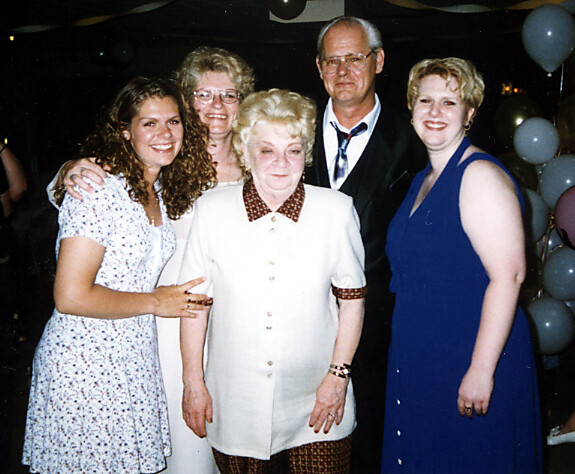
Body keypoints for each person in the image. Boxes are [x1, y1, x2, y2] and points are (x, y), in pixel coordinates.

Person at [46, 47, 255, 473]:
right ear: (187, 101)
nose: (216, 105)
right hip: (161, 325)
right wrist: (68, 171)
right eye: (203, 94)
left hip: (232, 324)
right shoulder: (166, 160)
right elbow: (87, 197)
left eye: (229, 95)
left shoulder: (262, 161)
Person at [22, 77, 214, 473]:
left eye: (173, 121)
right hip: (85, 363)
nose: (165, 134)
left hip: (132, 360)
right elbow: (70, 296)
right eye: (149, 123)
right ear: (125, 131)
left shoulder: (156, 191)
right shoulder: (98, 189)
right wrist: (156, 302)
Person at [179, 89, 366, 473]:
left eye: (293, 150)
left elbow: (352, 300)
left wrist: (338, 378)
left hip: (317, 403)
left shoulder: (336, 210)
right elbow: (194, 305)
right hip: (236, 404)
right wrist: (193, 383)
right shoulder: (211, 210)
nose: (282, 163)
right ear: (246, 154)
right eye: (267, 150)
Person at [381, 58, 542, 472]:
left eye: (449, 102)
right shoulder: (422, 179)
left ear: (469, 113)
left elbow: (510, 276)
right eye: (425, 100)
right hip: (427, 352)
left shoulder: (479, 175)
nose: (435, 112)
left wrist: (481, 370)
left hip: (470, 353)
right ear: (411, 108)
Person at [307, 15, 426, 472]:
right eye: (332, 61)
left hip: (379, 328)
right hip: (295, 319)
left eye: (354, 58)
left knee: (368, 447)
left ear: (378, 61)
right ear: (319, 68)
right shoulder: (290, 127)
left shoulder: (415, 138)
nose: (342, 71)